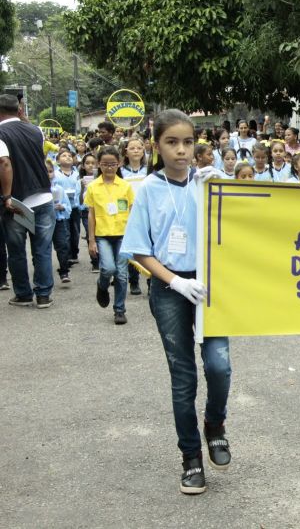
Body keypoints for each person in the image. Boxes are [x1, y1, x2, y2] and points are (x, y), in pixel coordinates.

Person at [121, 109, 233, 495]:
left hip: (212, 285)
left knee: (219, 365)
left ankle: (215, 423)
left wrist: (226, 190)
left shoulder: (208, 183)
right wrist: (175, 282)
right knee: (183, 377)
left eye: (188, 142)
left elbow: (240, 229)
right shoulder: (148, 189)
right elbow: (138, 250)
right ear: (157, 146)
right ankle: (190, 458)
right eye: (172, 142)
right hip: (170, 289)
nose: (182, 151)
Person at [0, 94, 56, 308]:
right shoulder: (36, 130)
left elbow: (4, 163)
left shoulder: (1, 133)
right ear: (20, 110)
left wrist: (6, 196)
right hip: (44, 197)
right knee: (42, 249)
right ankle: (43, 295)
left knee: (16, 250)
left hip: (16, 202)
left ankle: (23, 294)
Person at [86, 146, 135, 325]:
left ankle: (119, 310)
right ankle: (102, 285)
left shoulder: (126, 186)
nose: (109, 167)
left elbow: (132, 211)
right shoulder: (92, 187)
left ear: (119, 163)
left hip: (123, 234)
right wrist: (91, 240)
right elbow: (90, 214)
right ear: (99, 164)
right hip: (102, 235)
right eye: (105, 164)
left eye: (112, 164)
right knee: (108, 268)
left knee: (122, 274)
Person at [48, 159, 72, 284]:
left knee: (62, 245)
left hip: (59, 220)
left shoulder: (59, 189)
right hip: (44, 221)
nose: (48, 174)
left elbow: (67, 206)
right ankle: (43, 273)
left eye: (51, 171)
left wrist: (62, 207)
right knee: (42, 248)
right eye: (45, 172)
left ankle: (64, 271)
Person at [78, 153, 99, 272]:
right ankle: (95, 261)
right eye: (87, 163)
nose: (91, 166)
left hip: (101, 211)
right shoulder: (81, 180)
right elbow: (80, 200)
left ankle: (101, 258)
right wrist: (82, 187)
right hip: (86, 211)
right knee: (90, 233)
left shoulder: (102, 179)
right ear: (83, 166)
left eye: (93, 163)